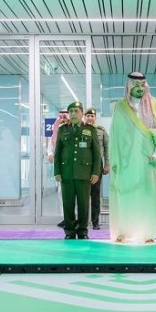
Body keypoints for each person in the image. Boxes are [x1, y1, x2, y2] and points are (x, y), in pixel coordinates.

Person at [109, 71, 156, 243]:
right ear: (129, 87)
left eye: (143, 85)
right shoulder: (121, 107)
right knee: (126, 194)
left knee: (148, 194)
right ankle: (123, 231)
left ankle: (147, 232)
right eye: (136, 86)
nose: (140, 89)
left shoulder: (153, 104)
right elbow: (115, 136)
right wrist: (115, 160)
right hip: (126, 159)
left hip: (148, 158)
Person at [54, 101, 101, 239]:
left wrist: (95, 172)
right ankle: (69, 232)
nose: (73, 114)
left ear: (82, 114)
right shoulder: (63, 129)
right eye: (71, 111)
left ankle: (82, 231)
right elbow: (57, 153)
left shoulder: (90, 130)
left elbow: (96, 154)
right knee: (68, 204)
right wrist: (57, 171)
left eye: (76, 111)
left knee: (83, 205)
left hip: (84, 173)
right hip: (66, 173)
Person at [84, 107, 110, 229]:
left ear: (95, 117)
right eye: (88, 116)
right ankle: (83, 221)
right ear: (85, 117)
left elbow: (107, 148)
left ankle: (95, 222)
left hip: (97, 165)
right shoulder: (81, 130)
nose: (90, 118)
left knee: (95, 194)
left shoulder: (101, 131)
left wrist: (107, 164)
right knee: (83, 194)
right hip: (83, 165)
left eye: (92, 116)